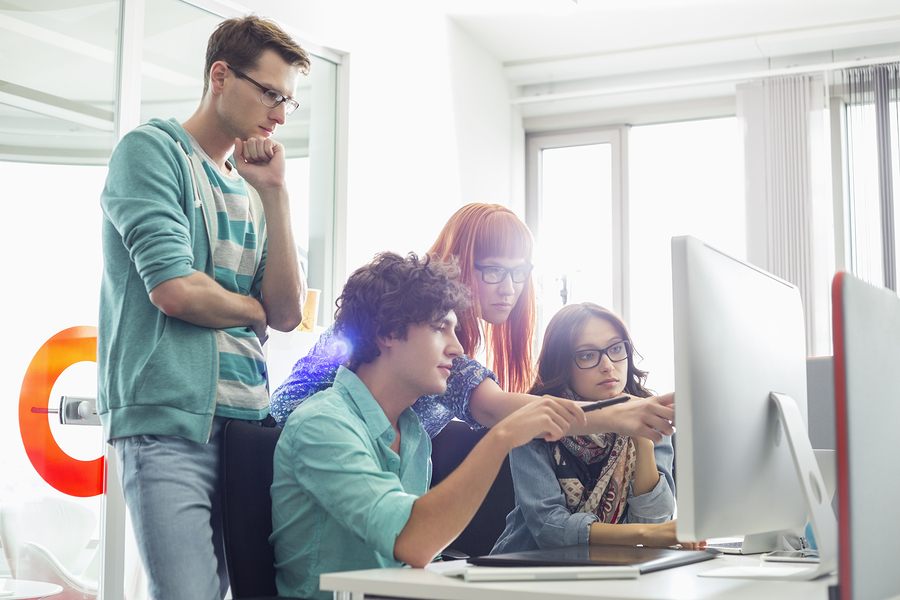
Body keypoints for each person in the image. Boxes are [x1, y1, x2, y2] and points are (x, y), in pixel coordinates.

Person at [97, 15, 309, 600]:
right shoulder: (152, 151)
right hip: (168, 423)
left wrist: (275, 192)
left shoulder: (249, 186)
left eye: (289, 100)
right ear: (220, 76)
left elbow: (287, 311)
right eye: (271, 93)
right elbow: (174, 291)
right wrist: (252, 309)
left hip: (246, 427)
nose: (281, 114)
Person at [269, 252, 585, 600]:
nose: (458, 348)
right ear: (387, 332)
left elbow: (420, 566)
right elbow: (414, 542)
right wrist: (502, 437)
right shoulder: (323, 423)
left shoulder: (413, 432)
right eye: (440, 328)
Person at [270, 203, 675, 442]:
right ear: (459, 263)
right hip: (297, 455)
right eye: (493, 271)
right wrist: (612, 414)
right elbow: (493, 407)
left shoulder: (447, 342)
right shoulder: (411, 322)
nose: (509, 288)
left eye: (519, 272)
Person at [492, 302, 704, 553]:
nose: (608, 365)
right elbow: (550, 530)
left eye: (616, 349)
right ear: (562, 365)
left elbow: (654, 520)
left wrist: (644, 442)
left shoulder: (648, 414)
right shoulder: (535, 421)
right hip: (527, 570)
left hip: (617, 567)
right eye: (587, 355)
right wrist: (646, 533)